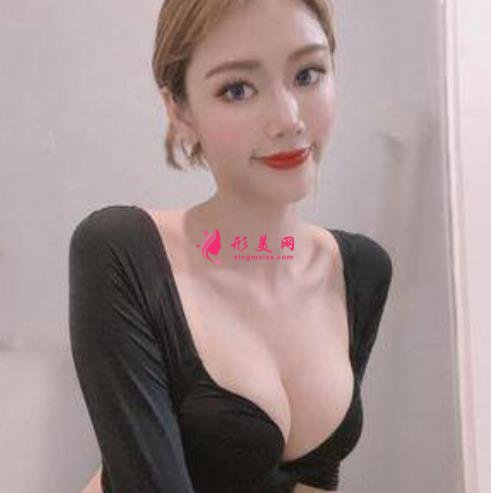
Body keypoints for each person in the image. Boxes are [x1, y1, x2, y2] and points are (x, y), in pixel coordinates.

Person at [69, 0, 393, 492]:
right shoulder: (120, 252)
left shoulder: (361, 270)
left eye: (307, 74)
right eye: (237, 89)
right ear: (179, 110)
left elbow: (312, 481)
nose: (288, 119)